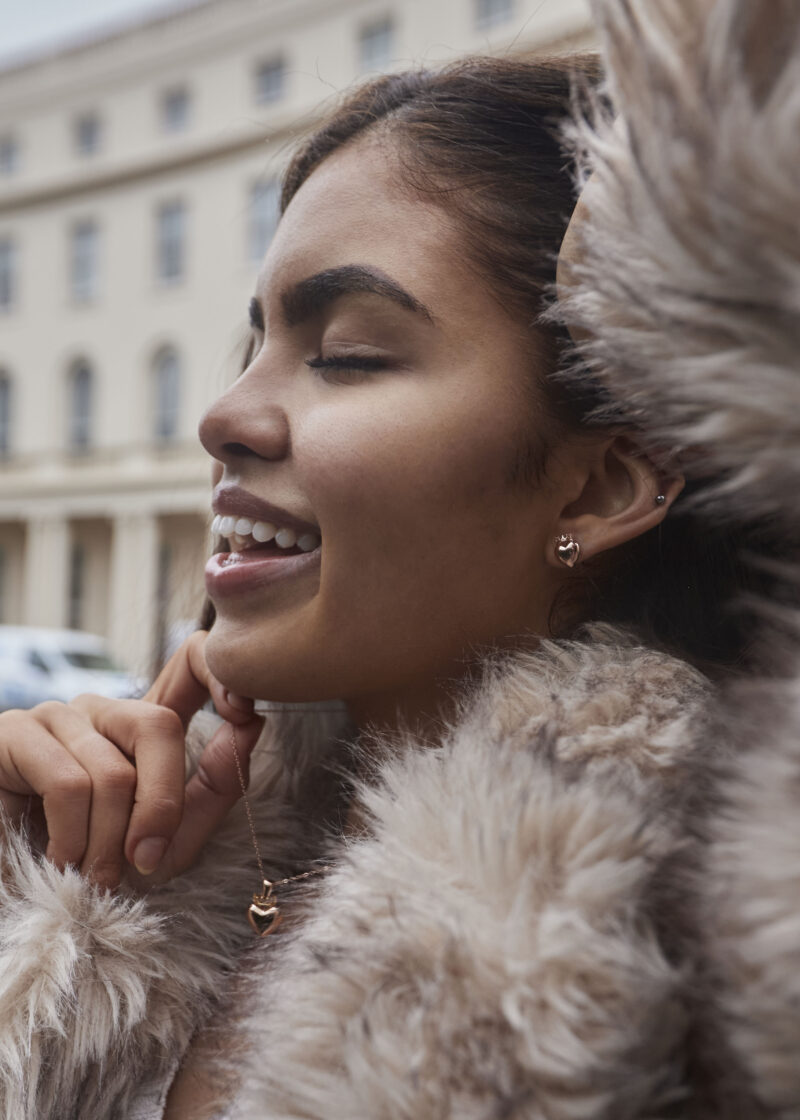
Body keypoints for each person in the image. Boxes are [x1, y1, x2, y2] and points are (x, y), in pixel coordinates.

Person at [0, 1, 798, 1117]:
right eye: (255, 345)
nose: (224, 415)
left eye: (350, 356)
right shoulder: (143, 857)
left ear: (606, 482)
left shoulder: (719, 973)